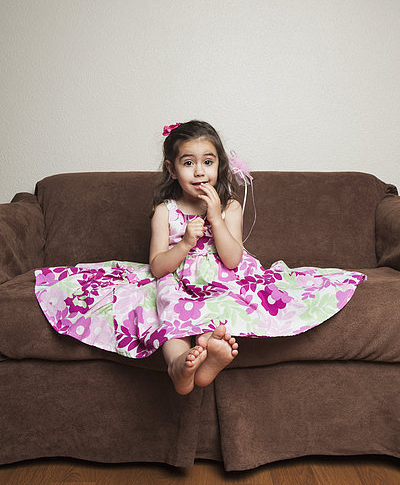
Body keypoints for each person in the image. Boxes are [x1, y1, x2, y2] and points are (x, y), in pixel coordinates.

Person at [34, 120, 367, 395]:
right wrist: (184, 245)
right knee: (165, 307)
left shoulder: (230, 206)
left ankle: (210, 351)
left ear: (219, 165)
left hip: (222, 279)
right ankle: (180, 365)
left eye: (208, 162)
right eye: (188, 162)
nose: (199, 172)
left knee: (220, 306)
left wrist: (217, 219)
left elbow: (233, 259)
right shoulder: (165, 212)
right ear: (172, 169)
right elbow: (157, 266)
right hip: (176, 280)